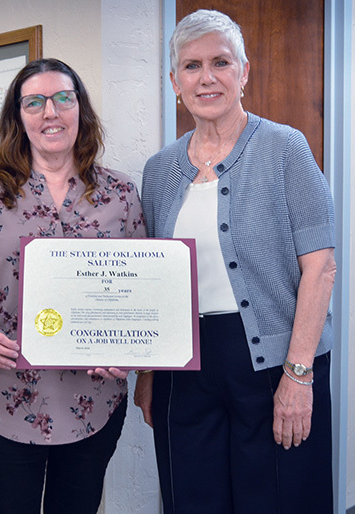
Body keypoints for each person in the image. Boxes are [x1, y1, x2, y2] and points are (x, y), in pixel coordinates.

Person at [134, 9, 335, 514]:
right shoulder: (159, 170)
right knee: (191, 497)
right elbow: (153, 278)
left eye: (220, 62)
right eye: (192, 66)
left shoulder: (285, 147)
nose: (207, 77)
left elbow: (322, 267)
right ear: (175, 81)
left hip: (274, 361)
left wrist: (299, 374)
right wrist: (149, 373)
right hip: (186, 364)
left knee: (278, 496)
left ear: (244, 73)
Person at [0, 58, 145, 514]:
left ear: (81, 109)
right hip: (1, 401)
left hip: (91, 405)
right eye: (34, 102)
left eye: (62, 98)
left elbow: (140, 295)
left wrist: (130, 352)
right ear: (19, 116)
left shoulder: (120, 194)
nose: (49, 112)